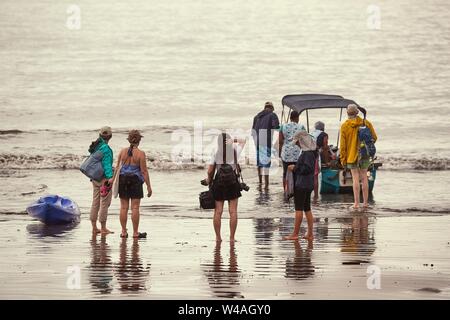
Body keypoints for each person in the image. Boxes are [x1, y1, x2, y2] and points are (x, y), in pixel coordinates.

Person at [204, 133, 246, 243]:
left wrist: (209, 180)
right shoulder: (235, 151)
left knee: (218, 212)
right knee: (233, 212)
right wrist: (234, 140)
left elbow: (209, 171)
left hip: (219, 183)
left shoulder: (215, 152)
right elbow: (243, 140)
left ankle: (218, 238)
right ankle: (232, 238)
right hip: (233, 183)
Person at [113, 129, 152, 239]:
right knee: (135, 208)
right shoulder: (140, 154)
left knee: (123, 207)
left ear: (129, 140)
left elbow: (117, 168)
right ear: (139, 140)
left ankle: (124, 232)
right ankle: (135, 232)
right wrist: (149, 186)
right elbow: (144, 171)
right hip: (135, 181)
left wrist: (112, 180)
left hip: (123, 180)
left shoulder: (122, 151)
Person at [339, 104, 377, 210]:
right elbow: (374, 137)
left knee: (355, 178)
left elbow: (342, 146)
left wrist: (343, 159)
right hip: (364, 155)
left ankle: (356, 203)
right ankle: (365, 203)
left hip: (351, 156)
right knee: (364, 177)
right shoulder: (365, 123)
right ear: (357, 112)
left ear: (347, 113)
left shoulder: (345, 126)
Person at [283, 130, 317, 241]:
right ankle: (310, 234)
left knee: (298, 209)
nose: (297, 144)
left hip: (301, 184)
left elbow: (307, 168)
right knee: (307, 208)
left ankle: (295, 234)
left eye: (298, 142)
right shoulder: (312, 152)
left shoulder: (306, 154)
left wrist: (295, 168)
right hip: (308, 184)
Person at [89, 126, 114, 235]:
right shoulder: (106, 149)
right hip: (104, 179)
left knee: (95, 202)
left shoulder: (96, 146)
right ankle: (103, 228)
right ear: (110, 136)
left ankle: (94, 227)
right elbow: (107, 165)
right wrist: (110, 178)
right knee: (104, 203)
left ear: (100, 135)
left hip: (94, 177)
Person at [251, 101, 280, 189]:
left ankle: (260, 182)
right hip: (266, 141)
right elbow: (276, 127)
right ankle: (266, 184)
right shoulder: (272, 115)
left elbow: (253, 131)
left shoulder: (256, 117)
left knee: (259, 163)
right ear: (271, 108)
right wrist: (282, 127)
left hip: (257, 142)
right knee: (266, 163)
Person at [279, 111, 305, 192]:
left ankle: (286, 191)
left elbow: (280, 141)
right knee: (296, 173)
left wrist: (280, 152)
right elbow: (304, 141)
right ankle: (296, 191)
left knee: (285, 173)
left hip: (286, 153)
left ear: (290, 118)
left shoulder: (283, 126)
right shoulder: (301, 127)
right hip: (297, 154)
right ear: (297, 118)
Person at [310, 121, 333, 200]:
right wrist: (327, 162)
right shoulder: (324, 134)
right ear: (323, 128)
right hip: (314, 156)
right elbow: (325, 148)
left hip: (305, 155)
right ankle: (315, 196)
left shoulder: (311, 133)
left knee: (308, 176)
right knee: (315, 177)